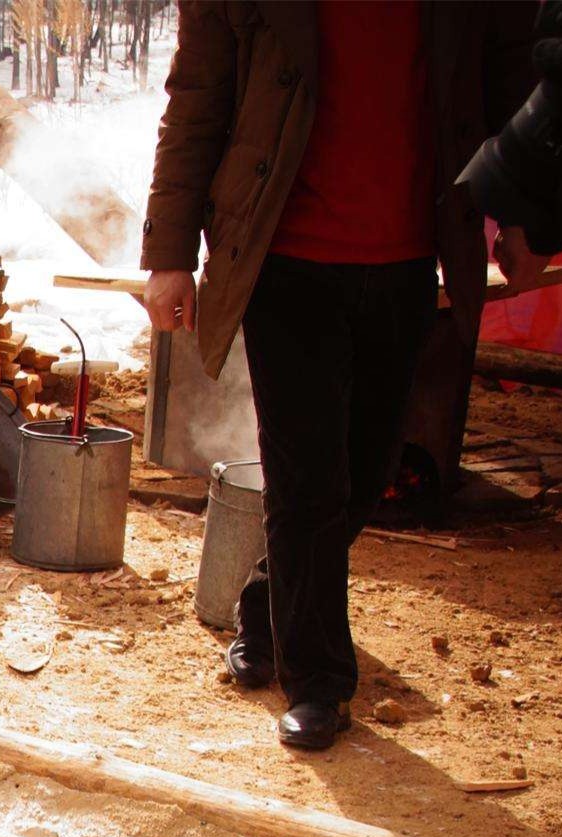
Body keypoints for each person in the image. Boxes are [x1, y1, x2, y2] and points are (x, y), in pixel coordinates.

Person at [142, 0, 540, 751]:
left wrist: (524, 221)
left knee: (368, 470)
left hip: (407, 260)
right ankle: (319, 680)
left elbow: (508, 80)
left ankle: (263, 607)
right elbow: (198, 98)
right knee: (308, 480)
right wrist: (169, 254)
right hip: (282, 259)